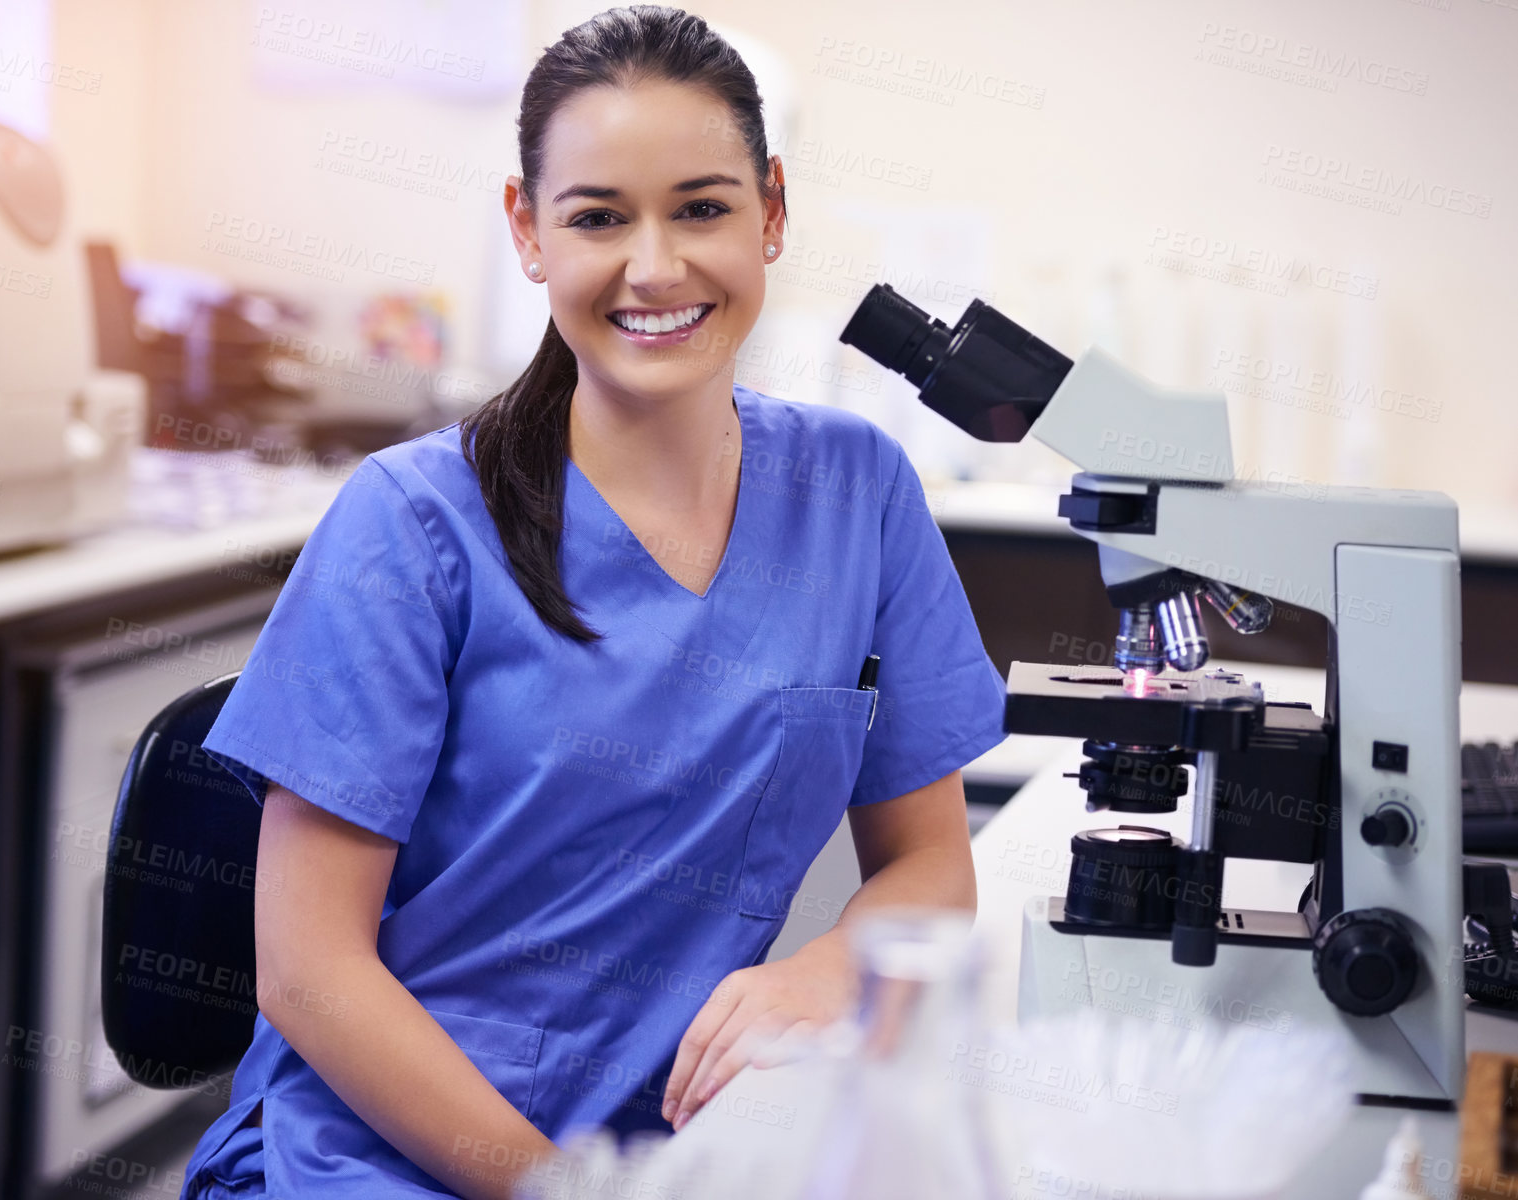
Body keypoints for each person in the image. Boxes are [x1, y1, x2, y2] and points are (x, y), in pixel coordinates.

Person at [179, 6, 1007, 1198]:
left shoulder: (856, 493)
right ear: (529, 230)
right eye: (599, 217)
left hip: (671, 1153)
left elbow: (929, 867)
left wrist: (825, 969)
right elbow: (308, 973)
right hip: (373, 1153)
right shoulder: (413, 524)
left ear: (772, 213)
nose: (655, 265)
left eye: (703, 207)